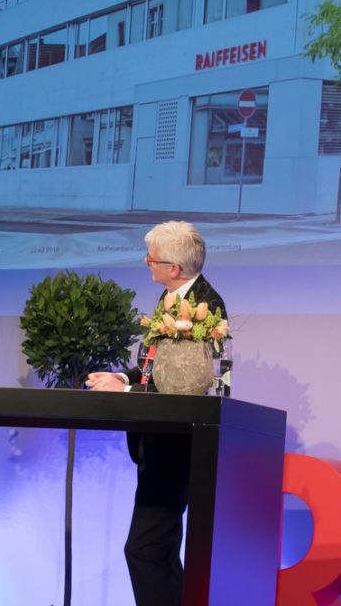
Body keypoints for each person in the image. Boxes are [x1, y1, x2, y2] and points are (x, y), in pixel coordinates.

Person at [86, 220, 226, 606]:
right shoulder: (172, 297)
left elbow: (184, 386)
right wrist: (121, 377)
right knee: (159, 552)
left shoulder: (203, 308)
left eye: (152, 258)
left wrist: (127, 391)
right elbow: (156, 369)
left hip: (176, 447)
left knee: (143, 550)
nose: (146, 262)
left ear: (174, 267)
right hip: (159, 444)